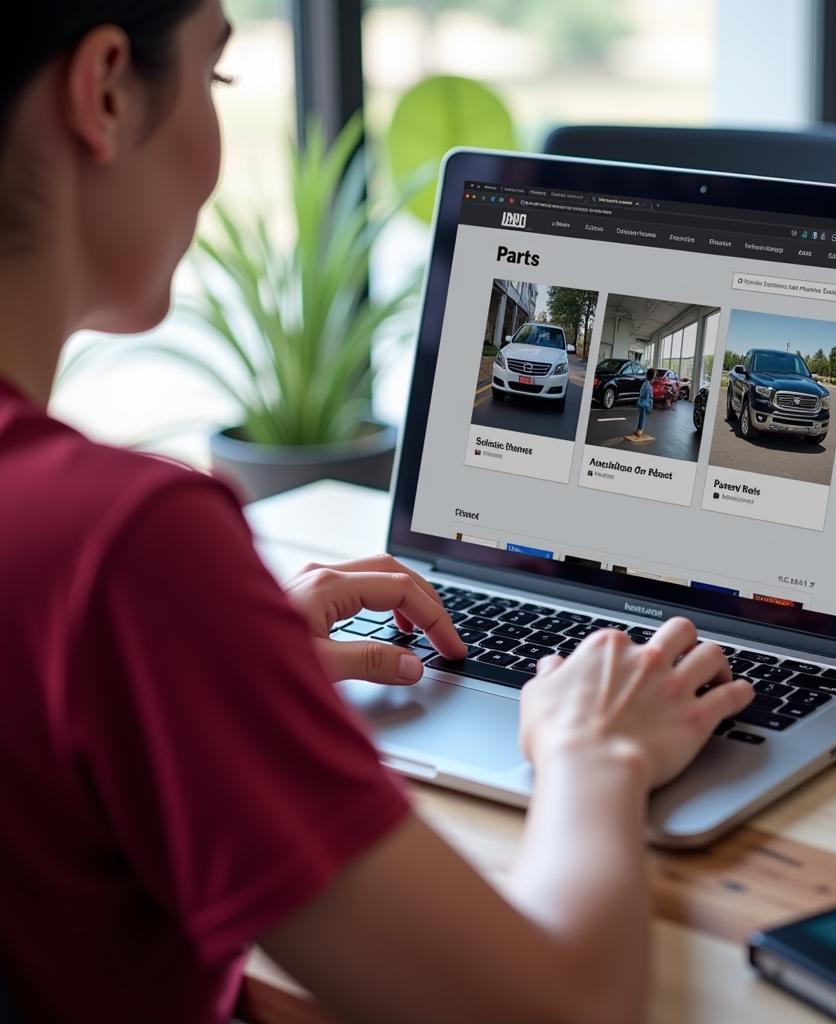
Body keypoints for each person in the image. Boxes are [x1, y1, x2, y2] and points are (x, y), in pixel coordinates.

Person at [0, 3, 753, 1022]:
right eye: (218, 79)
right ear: (102, 93)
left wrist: (219, 674)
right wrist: (596, 752)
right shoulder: (123, 549)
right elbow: (560, 1009)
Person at [632, 366, 656, 438]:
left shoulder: (644, 383)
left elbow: (641, 392)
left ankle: (638, 429)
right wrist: (650, 402)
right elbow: (650, 396)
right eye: (654, 378)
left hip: (641, 402)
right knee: (642, 417)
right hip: (645, 403)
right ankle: (639, 430)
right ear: (652, 378)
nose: (654, 380)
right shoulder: (649, 385)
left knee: (641, 416)